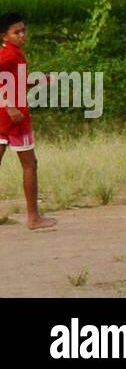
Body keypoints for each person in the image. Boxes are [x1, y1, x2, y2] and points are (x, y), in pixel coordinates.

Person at [0, 12, 56, 230]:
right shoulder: (10, 56)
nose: (22, 35)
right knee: (30, 165)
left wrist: (38, 81)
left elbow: (14, 83)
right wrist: (9, 105)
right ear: (4, 36)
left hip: (5, 116)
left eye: (24, 30)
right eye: (17, 32)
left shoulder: (13, 53)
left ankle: (34, 217)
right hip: (14, 118)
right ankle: (33, 217)